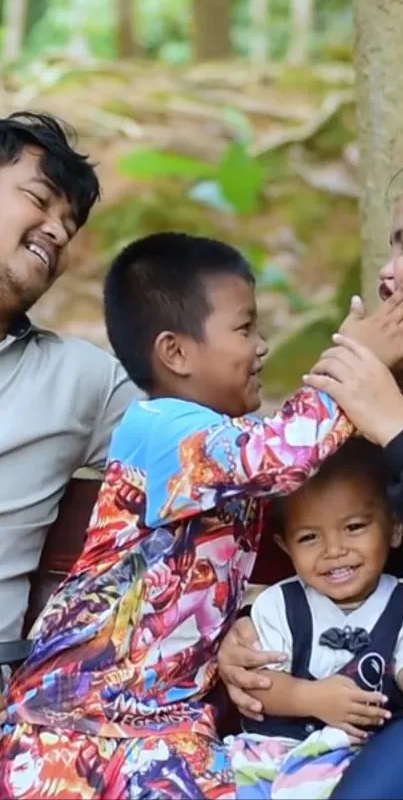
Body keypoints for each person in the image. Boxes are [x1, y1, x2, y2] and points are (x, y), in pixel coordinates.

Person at [2, 231, 403, 800]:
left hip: (169, 723)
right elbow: (280, 455)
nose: (262, 346)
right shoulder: (160, 432)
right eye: (245, 329)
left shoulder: (226, 451)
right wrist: (358, 365)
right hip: (73, 718)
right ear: (176, 353)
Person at [0, 111, 137, 647]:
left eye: (69, 223)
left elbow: (214, 449)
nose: (57, 230)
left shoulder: (83, 380)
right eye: (39, 200)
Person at [225, 437, 403, 799]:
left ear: (394, 529)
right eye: (309, 538)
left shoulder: (398, 602)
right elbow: (257, 684)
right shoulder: (281, 604)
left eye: (354, 528)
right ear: (285, 547)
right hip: (275, 752)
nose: (334, 551)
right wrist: (310, 698)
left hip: (359, 759)